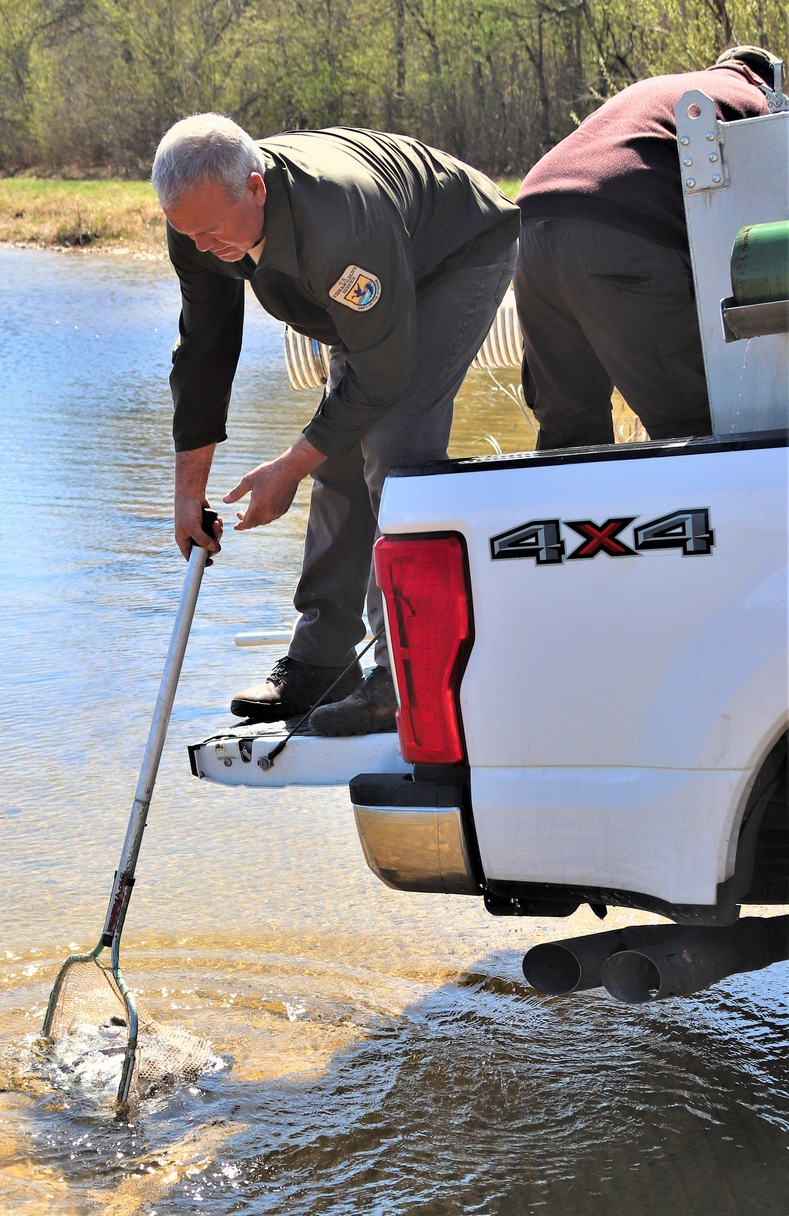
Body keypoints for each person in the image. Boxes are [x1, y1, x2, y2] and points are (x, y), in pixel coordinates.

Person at [151, 116, 519, 734]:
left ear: (257, 187)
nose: (204, 246)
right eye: (189, 234)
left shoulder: (340, 224)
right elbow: (204, 353)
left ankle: (397, 678)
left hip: (454, 255)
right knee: (339, 450)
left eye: (214, 231)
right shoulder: (200, 223)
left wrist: (289, 467)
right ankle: (322, 662)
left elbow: (384, 373)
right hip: (372, 284)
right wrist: (189, 492)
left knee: (393, 447)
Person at [514, 46, 783, 451]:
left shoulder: (671, 88)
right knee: (695, 431)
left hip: (531, 220)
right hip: (618, 232)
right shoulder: (761, 106)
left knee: (569, 431)